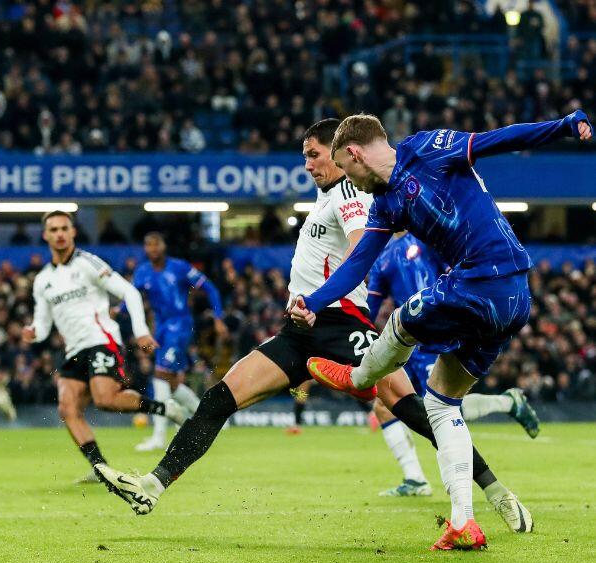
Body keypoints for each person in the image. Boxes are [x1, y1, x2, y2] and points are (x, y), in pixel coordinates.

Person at [95, 119, 532, 539]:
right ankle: (151, 487)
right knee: (219, 397)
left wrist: (323, 295)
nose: (308, 164)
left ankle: (496, 491)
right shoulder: (325, 199)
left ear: (340, 154)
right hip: (299, 331)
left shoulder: (347, 192)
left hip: (342, 324)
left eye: (314, 154)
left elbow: (364, 244)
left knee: (412, 409)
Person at [300, 110, 592, 550]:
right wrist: (314, 302)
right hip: (512, 299)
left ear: (355, 153)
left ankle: (359, 377)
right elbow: (358, 264)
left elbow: (498, 139)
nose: (350, 181)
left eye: (345, 168)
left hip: (484, 280)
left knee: (401, 321)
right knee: (440, 402)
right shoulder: (386, 203)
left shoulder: (428, 149)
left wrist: (565, 125)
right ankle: (463, 524)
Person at [367, 233, 541, 497]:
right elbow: (371, 306)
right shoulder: (381, 259)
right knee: (384, 405)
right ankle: (414, 479)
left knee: (440, 403)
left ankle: (507, 403)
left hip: (434, 331)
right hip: (408, 339)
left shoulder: (424, 239)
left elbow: (454, 268)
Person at [22, 211, 189, 483]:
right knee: (67, 410)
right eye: (54, 229)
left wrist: (141, 332)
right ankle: (101, 469)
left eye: (65, 228)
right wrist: (34, 332)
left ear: (74, 232)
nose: (60, 234)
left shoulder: (88, 263)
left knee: (105, 400)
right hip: (74, 350)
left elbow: (130, 292)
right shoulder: (43, 280)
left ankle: (165, 409)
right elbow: (42, 323)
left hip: (102, 341)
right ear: (45, 235)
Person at [131, 232, 226, 451]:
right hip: (161, 329)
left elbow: (209, 287)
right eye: (148, 245)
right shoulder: (143, 272)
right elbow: (133, 299)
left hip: (180, 326)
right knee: (171, 382)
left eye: (157, 244)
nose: (153, 248)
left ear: (164, 246)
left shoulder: (180, 267)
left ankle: (160, 436)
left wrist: (218, 316)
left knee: (160, 374)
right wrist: (119, 309)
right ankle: (207, 416)